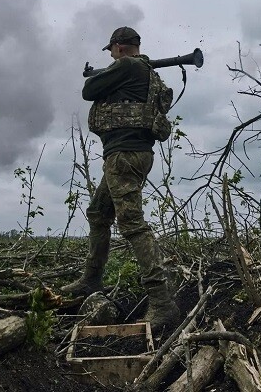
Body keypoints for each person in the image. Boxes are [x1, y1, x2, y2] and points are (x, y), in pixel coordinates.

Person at [62, 26, 181, 331]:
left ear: (117, 47)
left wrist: (104, 73)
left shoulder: (127, 66)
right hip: (131, 154)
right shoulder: (146, 72)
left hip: (124, 155)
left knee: (132, 224)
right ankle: (91, 280)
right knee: (99, 213)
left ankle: (162, 302)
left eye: (112, 50)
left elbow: (89, 91)